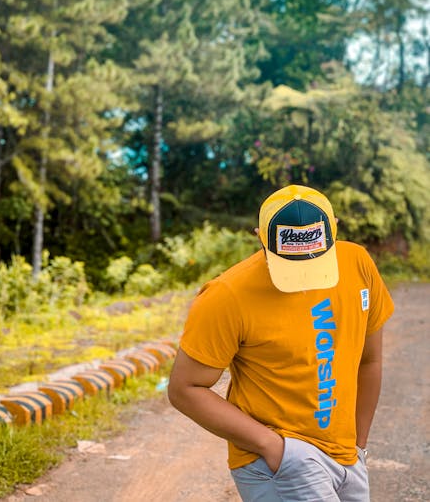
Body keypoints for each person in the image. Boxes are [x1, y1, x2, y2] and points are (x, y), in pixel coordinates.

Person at [168, 184, 394, 502]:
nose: (302, 276)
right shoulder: (227, 295)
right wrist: (272, 446)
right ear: (260, 237)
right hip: (283, 459)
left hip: (347, 456)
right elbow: (184, 388)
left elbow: (369, 360)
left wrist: (358, 445)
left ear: (335, 229)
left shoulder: (357, 265)